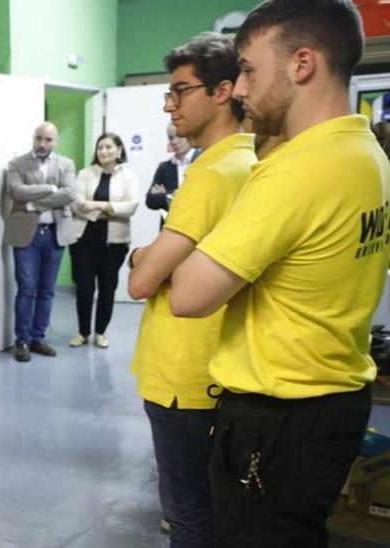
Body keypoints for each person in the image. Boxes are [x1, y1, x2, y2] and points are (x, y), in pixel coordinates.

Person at [169, 2, 389, 544]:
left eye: (248, 68)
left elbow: (188, 293)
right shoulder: (367, 155)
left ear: (302, 64)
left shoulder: (295, 172)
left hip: (277, 418)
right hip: (334, 401)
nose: (240, 88)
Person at [127, 31, 253, 548]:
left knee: (188, 515)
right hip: (219, 367)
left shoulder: (213, 173)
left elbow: (140, 281)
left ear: (222, 91)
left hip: (183, 374)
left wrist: (144, 258)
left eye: (180, 91)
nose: (169, 105)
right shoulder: (253, 164)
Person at [3, 122, 78, 362]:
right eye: (39, 138)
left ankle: (38, 338)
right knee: (26, 289)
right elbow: (16, 192)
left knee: (47, 290)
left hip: (55, 233)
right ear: (33, 138)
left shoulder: (66, 164)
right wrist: (49, 188)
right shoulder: (17, 164)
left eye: (48, 139)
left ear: (56, 142)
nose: (43, 144)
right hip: (27, 234)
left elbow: (69, 194)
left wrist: (34, 204)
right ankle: (22, 341)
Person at [68, 132, 139, 349]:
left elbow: (131, 207)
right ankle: (82, 332)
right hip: (84, 240)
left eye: (108, 147)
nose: (104, 151)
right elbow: (76, 204)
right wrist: (110, 209)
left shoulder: (128, 176)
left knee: (108, 288)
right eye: (100, 147)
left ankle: (100, 332)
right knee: (85, 287)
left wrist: (97, 205)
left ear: (119, 150)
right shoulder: (84, 174)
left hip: (114, 243)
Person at [146, 123, 196, 225]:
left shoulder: (202, 160)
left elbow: (198, 200)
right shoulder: (164, 167)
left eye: (178, 135)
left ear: (189, 135)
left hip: (197, 227)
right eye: (171, 137)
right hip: (170, 227)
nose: (174, 141)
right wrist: (173, 196)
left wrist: (165, 195)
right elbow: (150, 200)